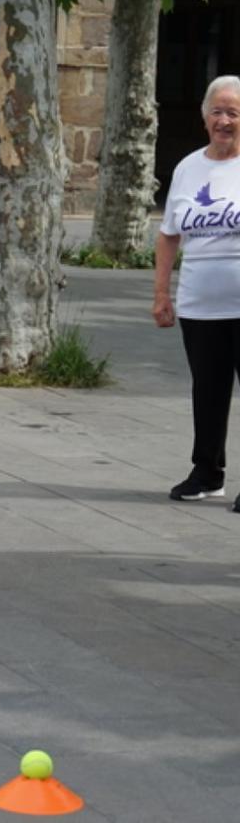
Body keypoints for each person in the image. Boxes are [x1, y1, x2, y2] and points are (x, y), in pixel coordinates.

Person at [153, 74, 240, 514]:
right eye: (217, 112)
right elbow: (169, 235)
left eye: (234, 113)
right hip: (200, 302)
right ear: (205, 118)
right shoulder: (188, 168)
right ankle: (206, 473)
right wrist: (161, 293)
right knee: (208, 389)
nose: (225, 121)